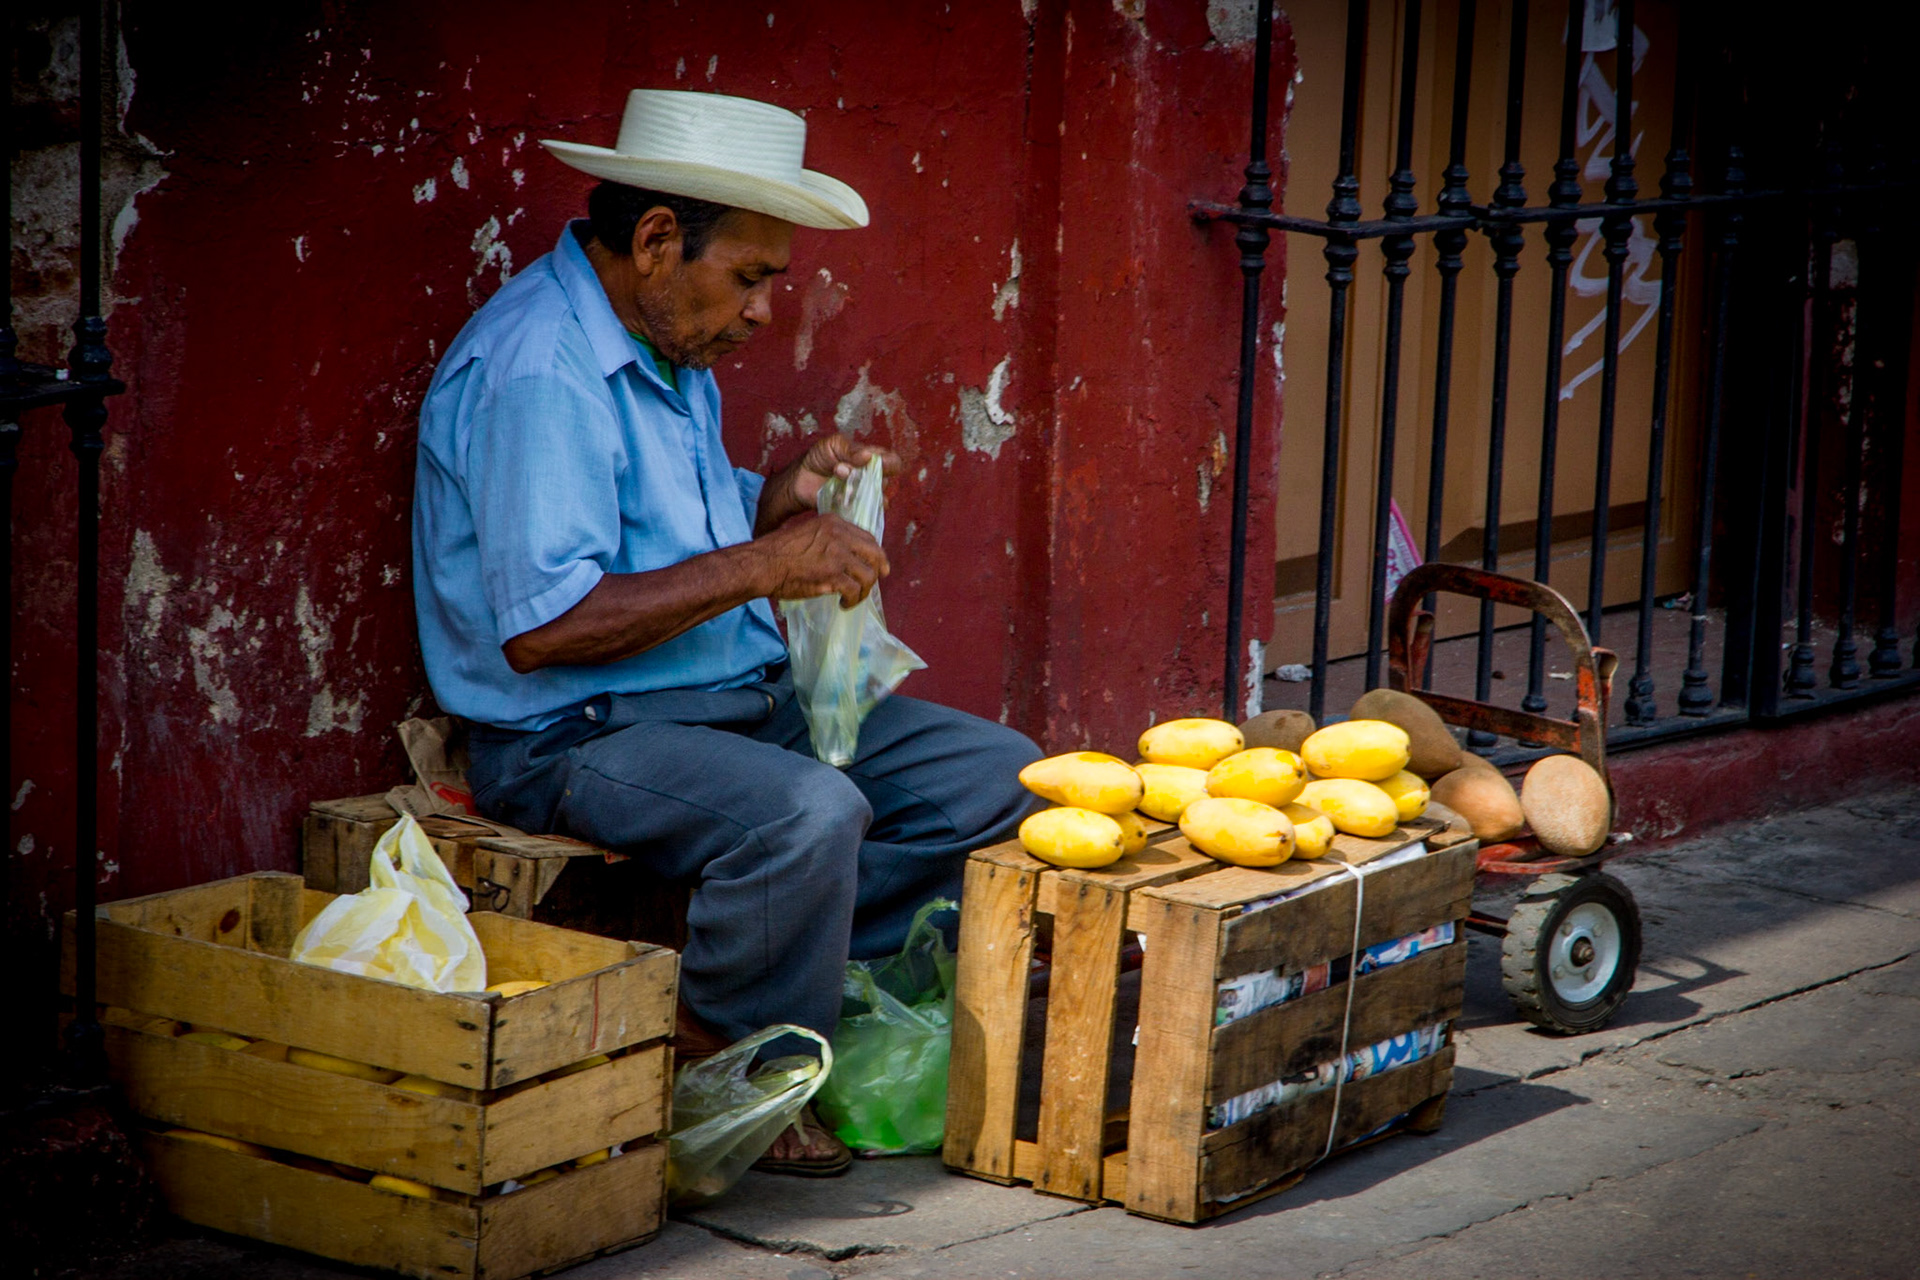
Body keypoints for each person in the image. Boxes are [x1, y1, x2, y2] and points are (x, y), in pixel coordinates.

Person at [411, 89, 1040, 1176]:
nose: (761, 311)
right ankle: (736, 1051)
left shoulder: (665, 340)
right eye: (749, 278)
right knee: (810, 815)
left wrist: (781, 497)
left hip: (728, 699)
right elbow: (546, 629)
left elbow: (666, 536)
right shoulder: (541, 370)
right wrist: (766, 565)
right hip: (578, 731)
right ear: (658, 239)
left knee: (1001, 780)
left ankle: (784, 964)